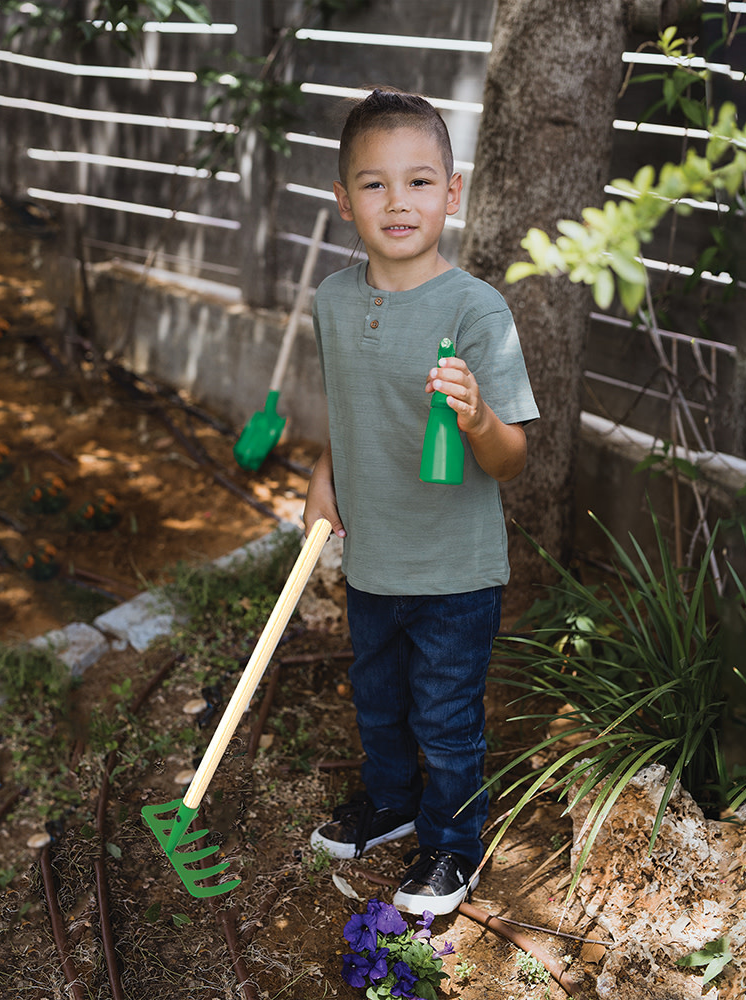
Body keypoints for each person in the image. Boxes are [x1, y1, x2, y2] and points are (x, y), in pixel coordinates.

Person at [304, 87, 539, 915]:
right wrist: (321, 476)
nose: (396, 202)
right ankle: (393, 802)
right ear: (343, 200)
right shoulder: (332, 301)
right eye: (373, 184)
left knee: (444, 718)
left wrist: (477, 416)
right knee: (378, 702)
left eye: (418, 181)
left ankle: (452, 846)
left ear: (454, 191)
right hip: (373, 558)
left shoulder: (477, 310)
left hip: (453, 572)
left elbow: (510, 460)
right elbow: (345, 406)